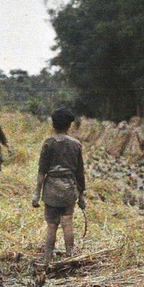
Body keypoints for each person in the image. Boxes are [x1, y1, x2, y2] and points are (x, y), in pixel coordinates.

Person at [31, 108, 86, 264]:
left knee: (52, 225)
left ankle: (47, 256)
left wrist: (36, 193)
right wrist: (81, 196)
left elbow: (42, 171)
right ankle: (70, 255)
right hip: (69, 188)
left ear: (53, 124)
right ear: (69, 126)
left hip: (52, 189)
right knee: (67, 222)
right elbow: (79, 173)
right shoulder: (76, 145)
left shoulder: (48, 143)